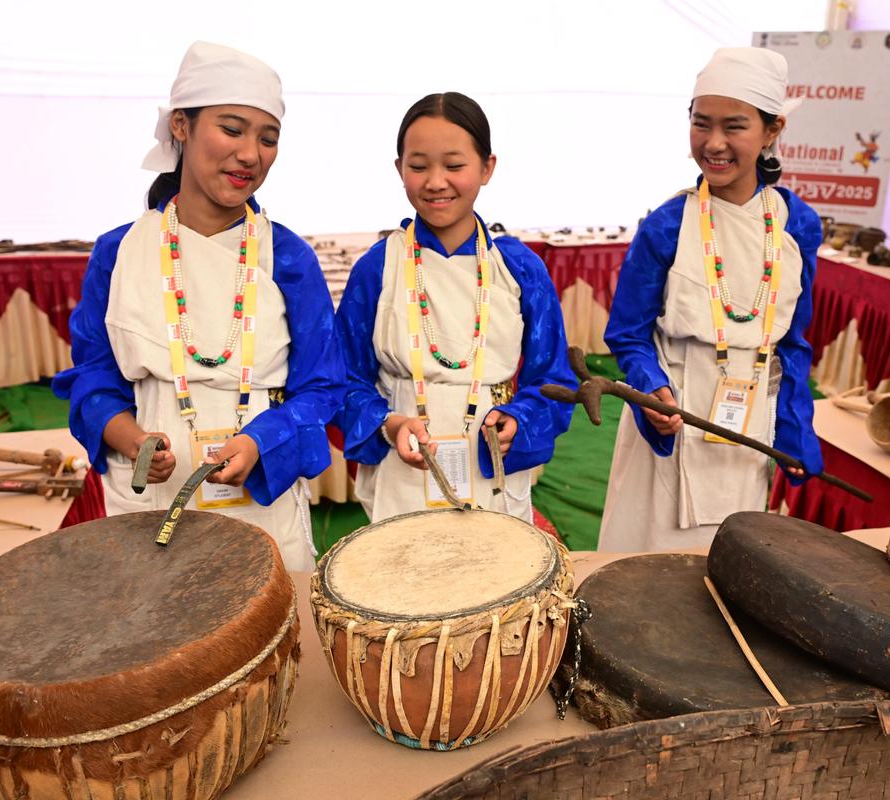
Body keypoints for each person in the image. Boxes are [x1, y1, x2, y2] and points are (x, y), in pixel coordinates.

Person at [53, 42, 344, 570]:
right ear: (181, 127)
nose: (251, 154)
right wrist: (133, 438)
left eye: (268, 138)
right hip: (149, 496)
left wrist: (261, 441)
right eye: (232, 130)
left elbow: (323, 386)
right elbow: (94, 376)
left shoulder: (289, 256)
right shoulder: (119, 252)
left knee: (271, 633)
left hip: (262, 492)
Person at [598, 47, 823, 552]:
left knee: (728, 558)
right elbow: (628, 335)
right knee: (648, 567)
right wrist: (650, 389)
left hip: (747, 426)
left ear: (773, 131)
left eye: (734, 127)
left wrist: (793, 425)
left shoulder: (797, 226)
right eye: (702, 124)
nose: (714, 143)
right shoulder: (667, 225)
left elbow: (794, 342)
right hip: (676, 417)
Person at [336, 92, 575, 523]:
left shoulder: (519, 269)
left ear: (487, 167)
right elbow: (343, 382)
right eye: (418, 165)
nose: (435, 181)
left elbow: (554, 380)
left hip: (490, 465)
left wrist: (519, 419)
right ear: (399, 170)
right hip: (403, 465)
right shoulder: (378, 266)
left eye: (454, 165)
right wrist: (389, 424)